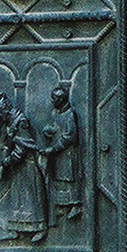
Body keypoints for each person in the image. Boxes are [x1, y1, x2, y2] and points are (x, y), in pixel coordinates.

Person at [0, 89, 48, 242]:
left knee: (31, 198)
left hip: (28, 166)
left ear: (3, 111)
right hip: (18, 168)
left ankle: (40, 229)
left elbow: (22, 149)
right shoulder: (10, 121)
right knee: (18, 200)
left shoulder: (21, 122)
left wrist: (6, 162)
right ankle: (15, 229)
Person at [40, 83, 82, 221]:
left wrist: (54, 148)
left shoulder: (70, 114)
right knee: (59, 178)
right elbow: (56, 127)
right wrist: (49, 130)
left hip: (67, 153)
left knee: (69, 178)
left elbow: (70, 136)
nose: (52, 101)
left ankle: (75, 205)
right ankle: (63, 205)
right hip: (57, 152)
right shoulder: (55, 112)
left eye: (55, 99)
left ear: (61, 100)